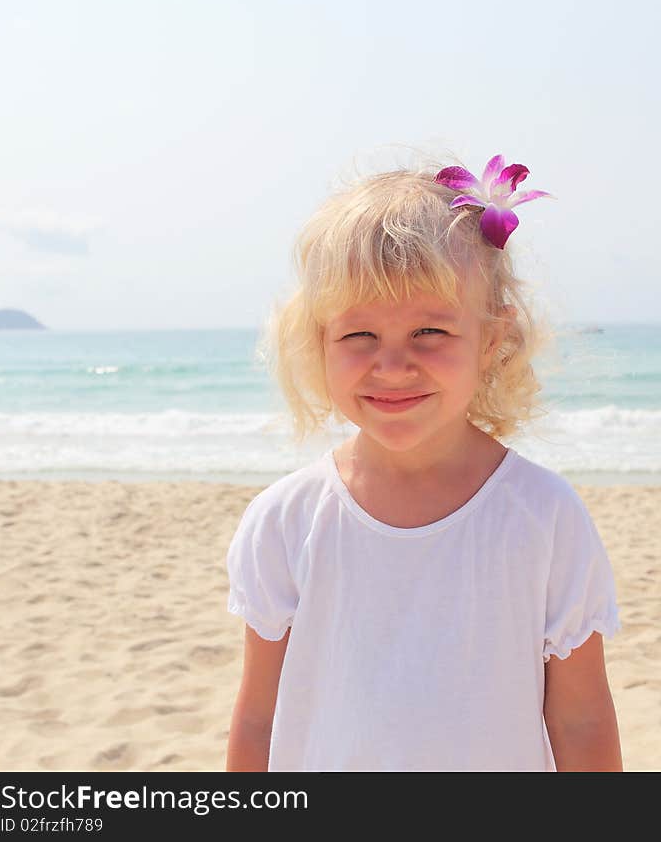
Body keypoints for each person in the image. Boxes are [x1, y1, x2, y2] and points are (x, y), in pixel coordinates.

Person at [225, 152, 623, 772]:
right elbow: (258, 719)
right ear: (319, 341)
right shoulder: (284, 520)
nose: (392, 366)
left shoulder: (543, 515)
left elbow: (581, 718)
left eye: (429, 333)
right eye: (359, 336)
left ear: (491, 338)